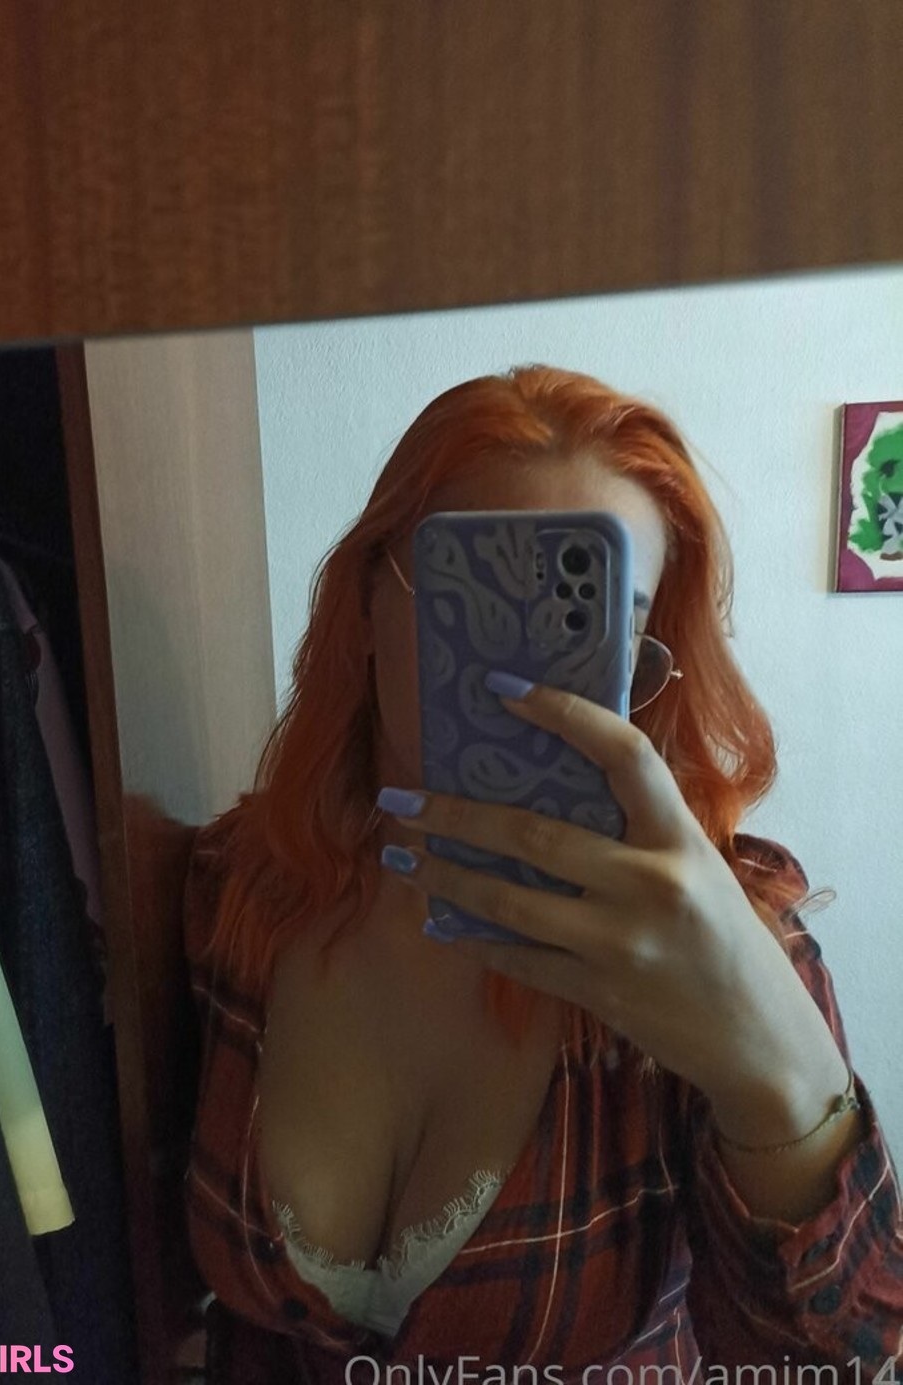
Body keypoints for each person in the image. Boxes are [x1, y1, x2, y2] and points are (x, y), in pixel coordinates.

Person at [178, 365, 903, 1380]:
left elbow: (837, 1359)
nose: (526, 677)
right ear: (369, 604)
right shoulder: (240, 887)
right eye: (479, 600)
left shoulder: (717, 937)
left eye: (589, 624)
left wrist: (778, 1070)